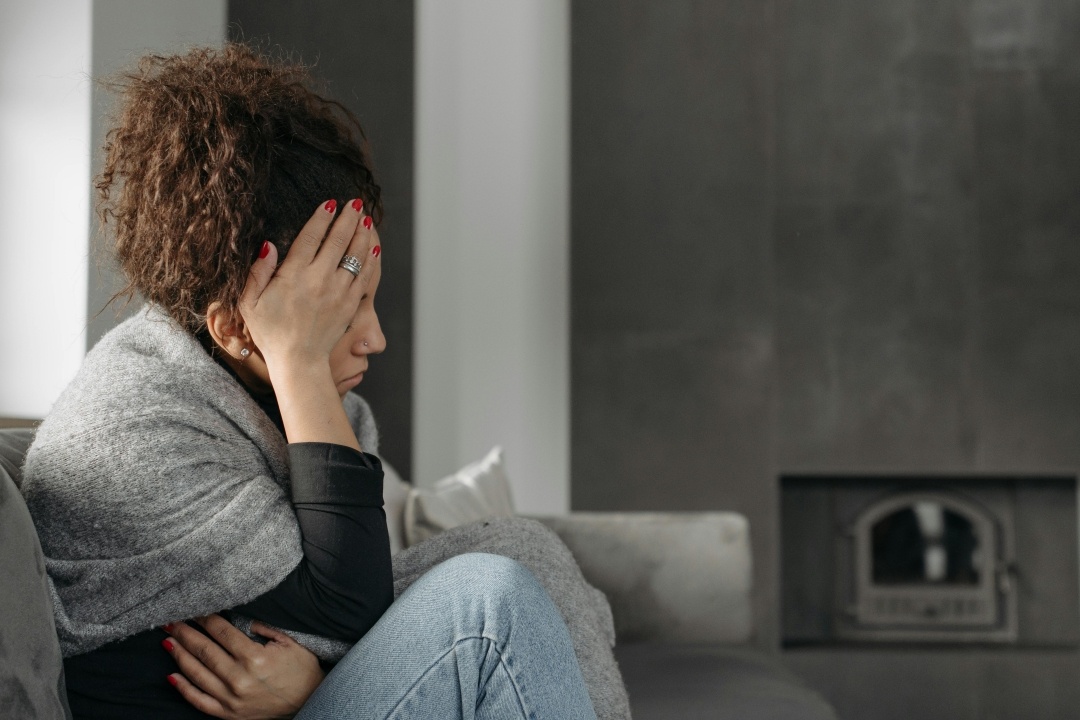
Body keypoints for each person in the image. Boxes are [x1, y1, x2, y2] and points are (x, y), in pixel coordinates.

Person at [20, 44, 629, 719]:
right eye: (342, 311)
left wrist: (308, 689)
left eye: (369, 299)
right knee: (491, 605)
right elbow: (349, 610)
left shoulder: (270, 395)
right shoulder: (131, 427)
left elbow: (350, 610)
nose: (375, 338)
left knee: (526, 553)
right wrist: (301, 361)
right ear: (236, 325)